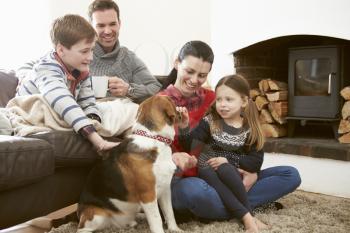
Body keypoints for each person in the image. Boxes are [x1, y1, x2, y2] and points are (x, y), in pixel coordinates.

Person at [159, 41, 301, 222]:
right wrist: (172, 157)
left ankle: (227, 208)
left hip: (229, 175)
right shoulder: (158, 103)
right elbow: (149, 152)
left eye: (202, 75)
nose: (195, 80)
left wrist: (252, 172)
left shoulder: (215, 99)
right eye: (189, 71)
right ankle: (244, 209)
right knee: (192, 191)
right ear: (177, 63)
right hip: (192, 180)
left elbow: (251, 152)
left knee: (290, 174)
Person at [176, 74, 268, 232]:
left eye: (229, 100)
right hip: (208, 171)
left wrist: (227, 160)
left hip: (234, 176)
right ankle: (248, 216)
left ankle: (225, 207)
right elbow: (193, 146)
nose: (223, 105)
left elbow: (256, 162)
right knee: (207, 170)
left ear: (244, 101)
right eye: (219, 99)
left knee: (289, 174)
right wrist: (184, 127)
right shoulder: (210, 121)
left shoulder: (249, 128)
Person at [16, 14, 118, 152]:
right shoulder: (47, 69)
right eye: (84, 51)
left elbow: (87, 102)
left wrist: (94, 121)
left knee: (115, 109)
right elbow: (63, 101)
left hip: (63, 111)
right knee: (56, 104)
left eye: (92, 50)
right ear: (61, 50)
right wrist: (98, 141)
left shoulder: (81, 70)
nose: (90, 57)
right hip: (31, 113)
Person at [88, 0, 162, 103]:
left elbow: (157, 89)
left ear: (119, 24)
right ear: (90, 27)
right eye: (101, 26)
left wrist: (129, 89)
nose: (108, 31)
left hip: (125, 115)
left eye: (112, 24)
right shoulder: (81, 56)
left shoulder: (128, 58)